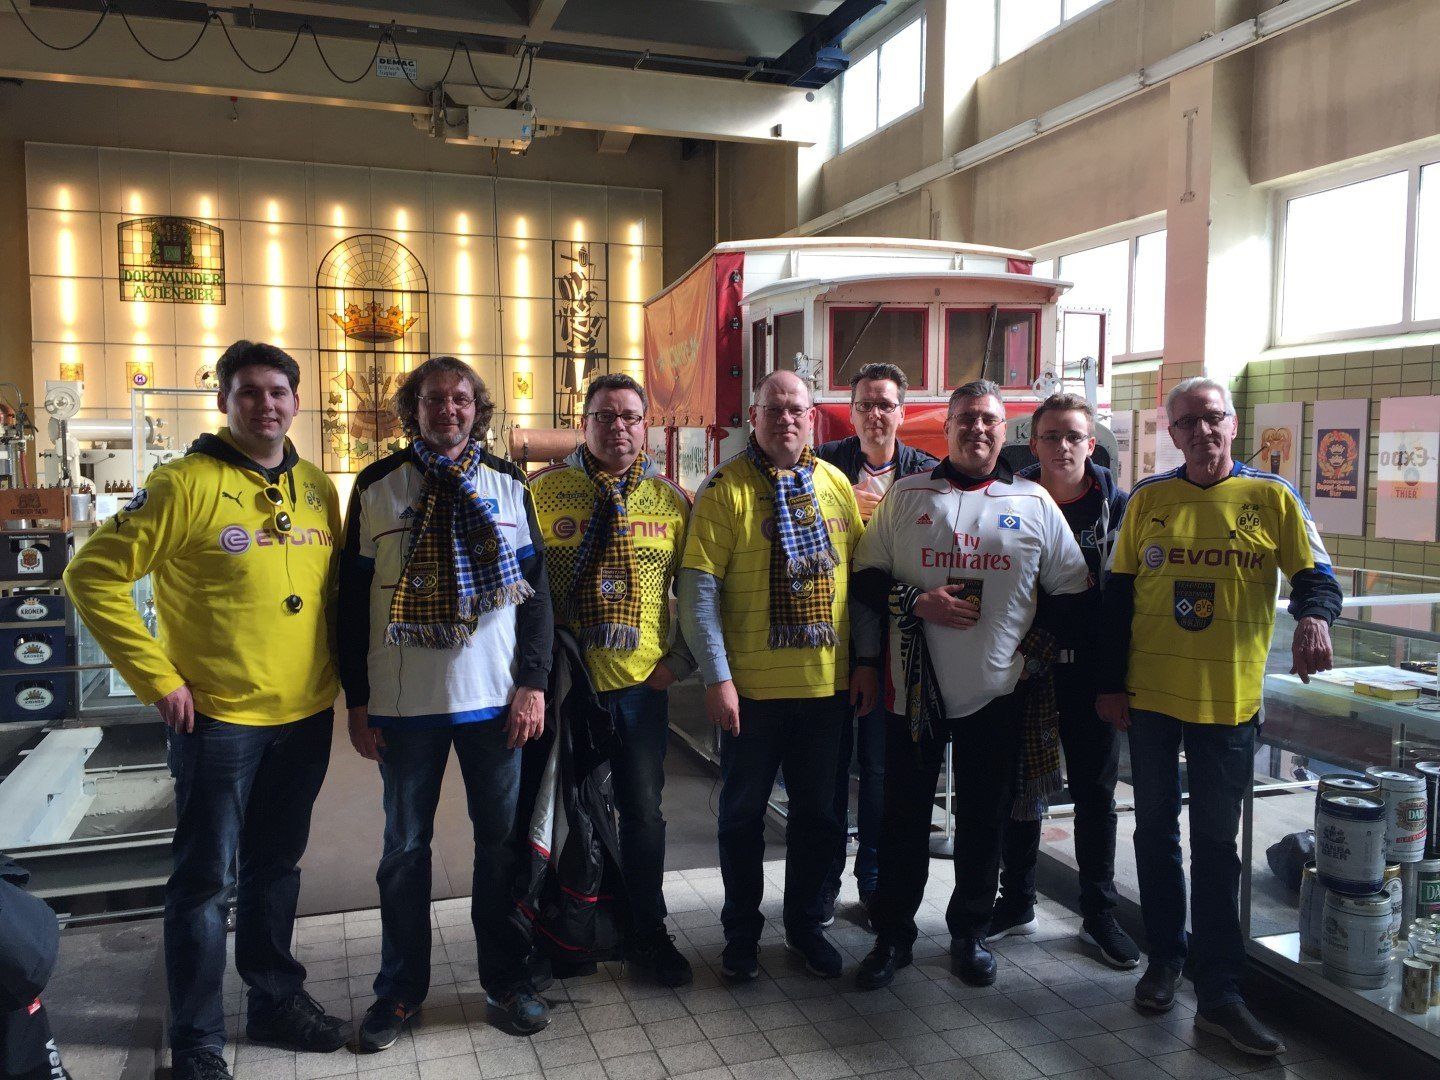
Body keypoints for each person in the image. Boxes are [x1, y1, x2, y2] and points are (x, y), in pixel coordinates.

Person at [64, 340, 348, 1080]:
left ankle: (274, 1002)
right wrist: (158, 680)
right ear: (224, 402)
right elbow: (90, 575)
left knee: (275, 868)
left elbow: (333, 597)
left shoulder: (317, 487)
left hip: (304, 714)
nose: (266, 404)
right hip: (219, 721)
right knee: (203, 884)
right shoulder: (182, 484)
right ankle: (196, 1042)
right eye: (249, 391)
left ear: (296, 402)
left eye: (278, 391)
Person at [1097, 376, 1340, 1057]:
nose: (1201, 431)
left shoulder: (1272, 497)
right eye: (1187, 422)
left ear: (1232, 424)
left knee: (1215, 846)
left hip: (1229, 705)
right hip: (1150, 700)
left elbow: (1318, 577)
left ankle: (1221, 992)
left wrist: (1315, 619)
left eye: (1212, 418)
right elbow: (1116, 599)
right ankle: (1164, 961)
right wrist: (1109, 684)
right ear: (1171, 434)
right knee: (1154, 835)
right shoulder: (1149, 499)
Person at [338, 357, 554, 1048]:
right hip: (405, 705)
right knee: (405, 851)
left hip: (495, 701)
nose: (449, 410)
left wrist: (533, 683)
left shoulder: (509, 485)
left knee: (500, 848)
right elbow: (350, 601)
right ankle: (399, 992)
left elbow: (536, 597)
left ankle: (507, 980)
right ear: (414, 409)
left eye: (461, 399)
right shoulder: (377, 487)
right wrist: (358, 700)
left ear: (476, 409)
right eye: (435, 399)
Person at [849, 379, 1089, 992]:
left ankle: (970, 934)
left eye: (988, 419)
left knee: (985, 819)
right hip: (912, 692)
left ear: (1004, 431)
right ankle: (893, 935)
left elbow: (1072, 593)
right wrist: (915, 600)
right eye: (965, 419)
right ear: (947, 427)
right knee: (903, 821)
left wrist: (1029, 657)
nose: (976, 428)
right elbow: (864, 577)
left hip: (997, 692)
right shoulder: (907, 495)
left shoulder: (1033, 501)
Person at [678, 369, 878, 982]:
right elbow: (699, 592)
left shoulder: (835, 485)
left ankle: (805, 927)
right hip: (751, 694)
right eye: (774, 409)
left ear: (811, 418)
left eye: (797, 409)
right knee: (741, 817)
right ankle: (741, 935)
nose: (786, 419)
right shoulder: (726, 488)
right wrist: (716, 678)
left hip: (825, 690)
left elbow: (861, 583)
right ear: (755, 418)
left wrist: (866, 662)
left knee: (820, 819)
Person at [529, 372, 696, 987]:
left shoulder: (672, 499)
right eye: (604, 415)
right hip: (564, 687)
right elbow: (522, 591)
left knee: (642, 814)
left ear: (645, 425)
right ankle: (559, 935)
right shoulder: (541, 491)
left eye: (629, 416)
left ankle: (647, 931)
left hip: (638, 690)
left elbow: (698, 590)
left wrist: (679, 663)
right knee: (559, 813)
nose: (617, 427)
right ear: (584, 423)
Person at [988, 393, 1140, 969]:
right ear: (1034, 443)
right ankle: (1016, 900)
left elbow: (1125, 598)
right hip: (1025, 666)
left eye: (1074, 436)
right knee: (1020, 788)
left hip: (1092, 674)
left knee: (1095, 796)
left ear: (1091, 443)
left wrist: (1117, 677)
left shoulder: (1118, 509)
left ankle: (1098, 914)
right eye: (1051, 436)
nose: (1063, 446)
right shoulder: (1010, 498)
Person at [816, 362, 936, 922]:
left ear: (902, 412)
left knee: (881, 771)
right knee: (829, 768)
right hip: (830, 638)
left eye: (885, 404)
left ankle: (872, 879)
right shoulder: (823, 466)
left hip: (899, 643)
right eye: (865, 404)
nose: (875, 414)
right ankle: (822, 882)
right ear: (852, 411)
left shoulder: (926, 473)